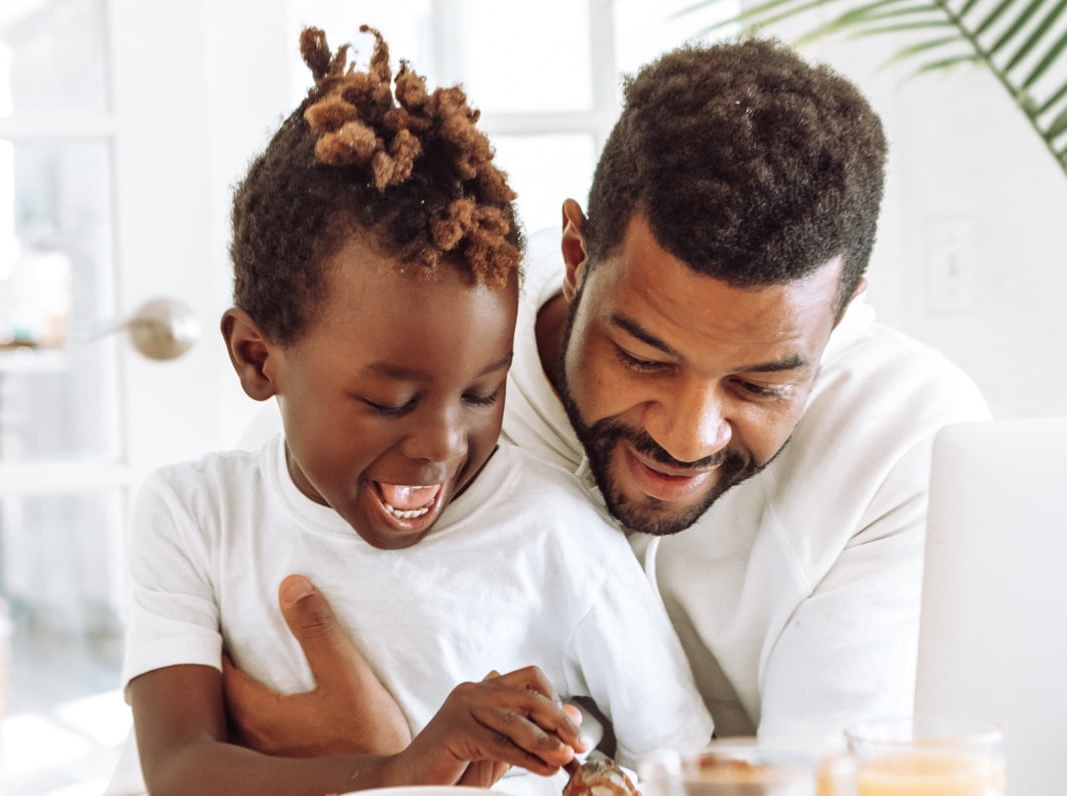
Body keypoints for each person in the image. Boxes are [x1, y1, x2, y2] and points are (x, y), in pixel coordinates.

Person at [226, 38, 990, 746]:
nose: (689, 436)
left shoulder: (906, 438)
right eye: (643, 358)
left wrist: (399, 781)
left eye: (758, 384)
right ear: (575, 253)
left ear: (844, 311)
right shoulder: (411, 397)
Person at [95, 27, 709, 796]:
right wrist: (405, 775)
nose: (441, 446)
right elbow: (180, 783)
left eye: (483, 394)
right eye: (389, 402)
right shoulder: (195, 519)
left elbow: (682, 769)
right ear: (256, 358)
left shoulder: (556, 534)